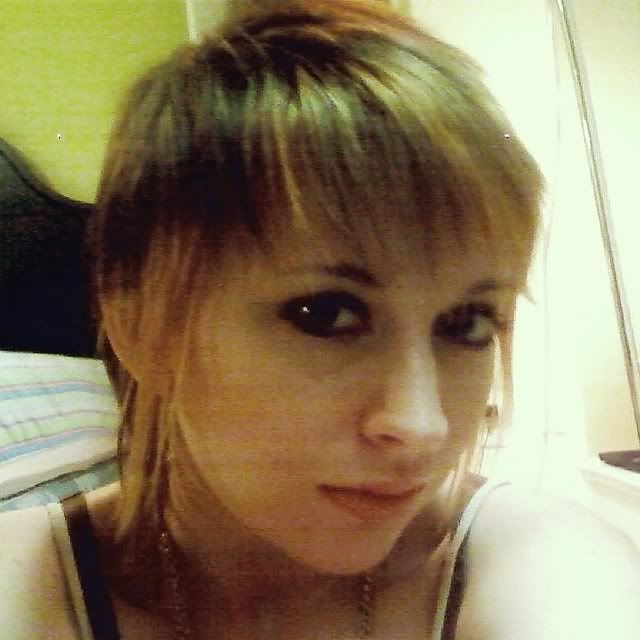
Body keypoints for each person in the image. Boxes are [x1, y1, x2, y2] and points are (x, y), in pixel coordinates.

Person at [2, 1, 639, 638]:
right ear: (142, 329)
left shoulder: (541, 563)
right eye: (328, 314)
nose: (422, 427)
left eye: (468, 323)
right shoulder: (27, 586)